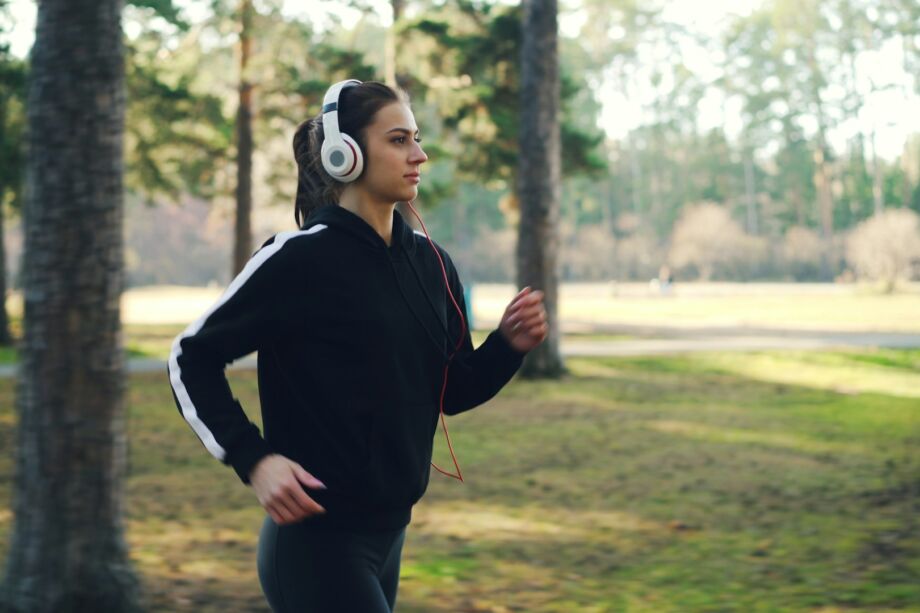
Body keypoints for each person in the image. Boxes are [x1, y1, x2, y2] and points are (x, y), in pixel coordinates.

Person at [166, 79, 549, 612]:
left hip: (390, 534)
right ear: (344, 154)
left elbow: (450, 390)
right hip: (315, 543)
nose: (419, 154)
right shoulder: (298, 260)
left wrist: (508, 345)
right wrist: (255, 460)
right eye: (398, 140)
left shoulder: (431, 263)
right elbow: (190, 357)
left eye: (415, 138)